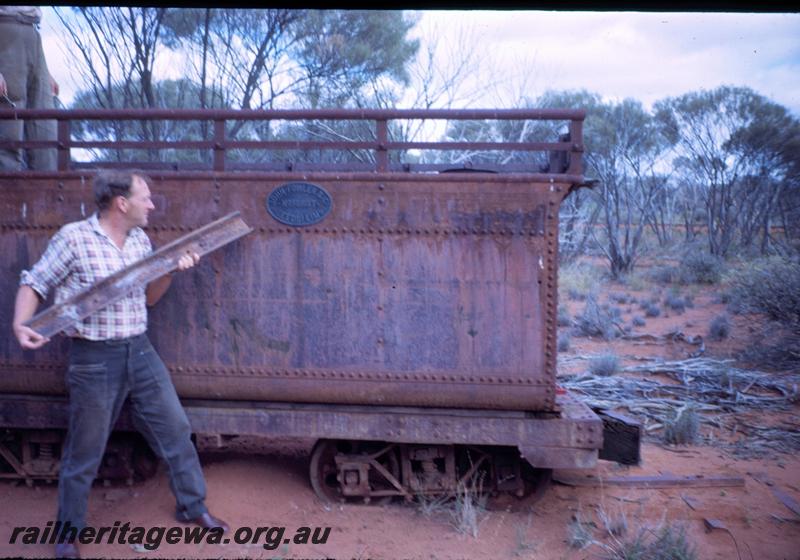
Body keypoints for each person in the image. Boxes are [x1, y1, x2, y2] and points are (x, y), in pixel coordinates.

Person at [12, 171, 229, 559]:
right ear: (121, 203)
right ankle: (66, 533)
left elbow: (149, 298)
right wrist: (20, 322)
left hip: (139, 350)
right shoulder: (74, 238)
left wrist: (170, 271)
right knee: (85, 449)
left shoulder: (140, 240)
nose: (152, 205)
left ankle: (193, 507)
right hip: (94, 358)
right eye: (145, 197)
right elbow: (35, 283)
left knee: (176, 429)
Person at [0, 5, 57, 171]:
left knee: (46, 130)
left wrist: (43, 69)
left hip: (32, 31)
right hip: (5, 30)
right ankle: (8, 195)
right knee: (9, 138)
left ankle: (47, 192)